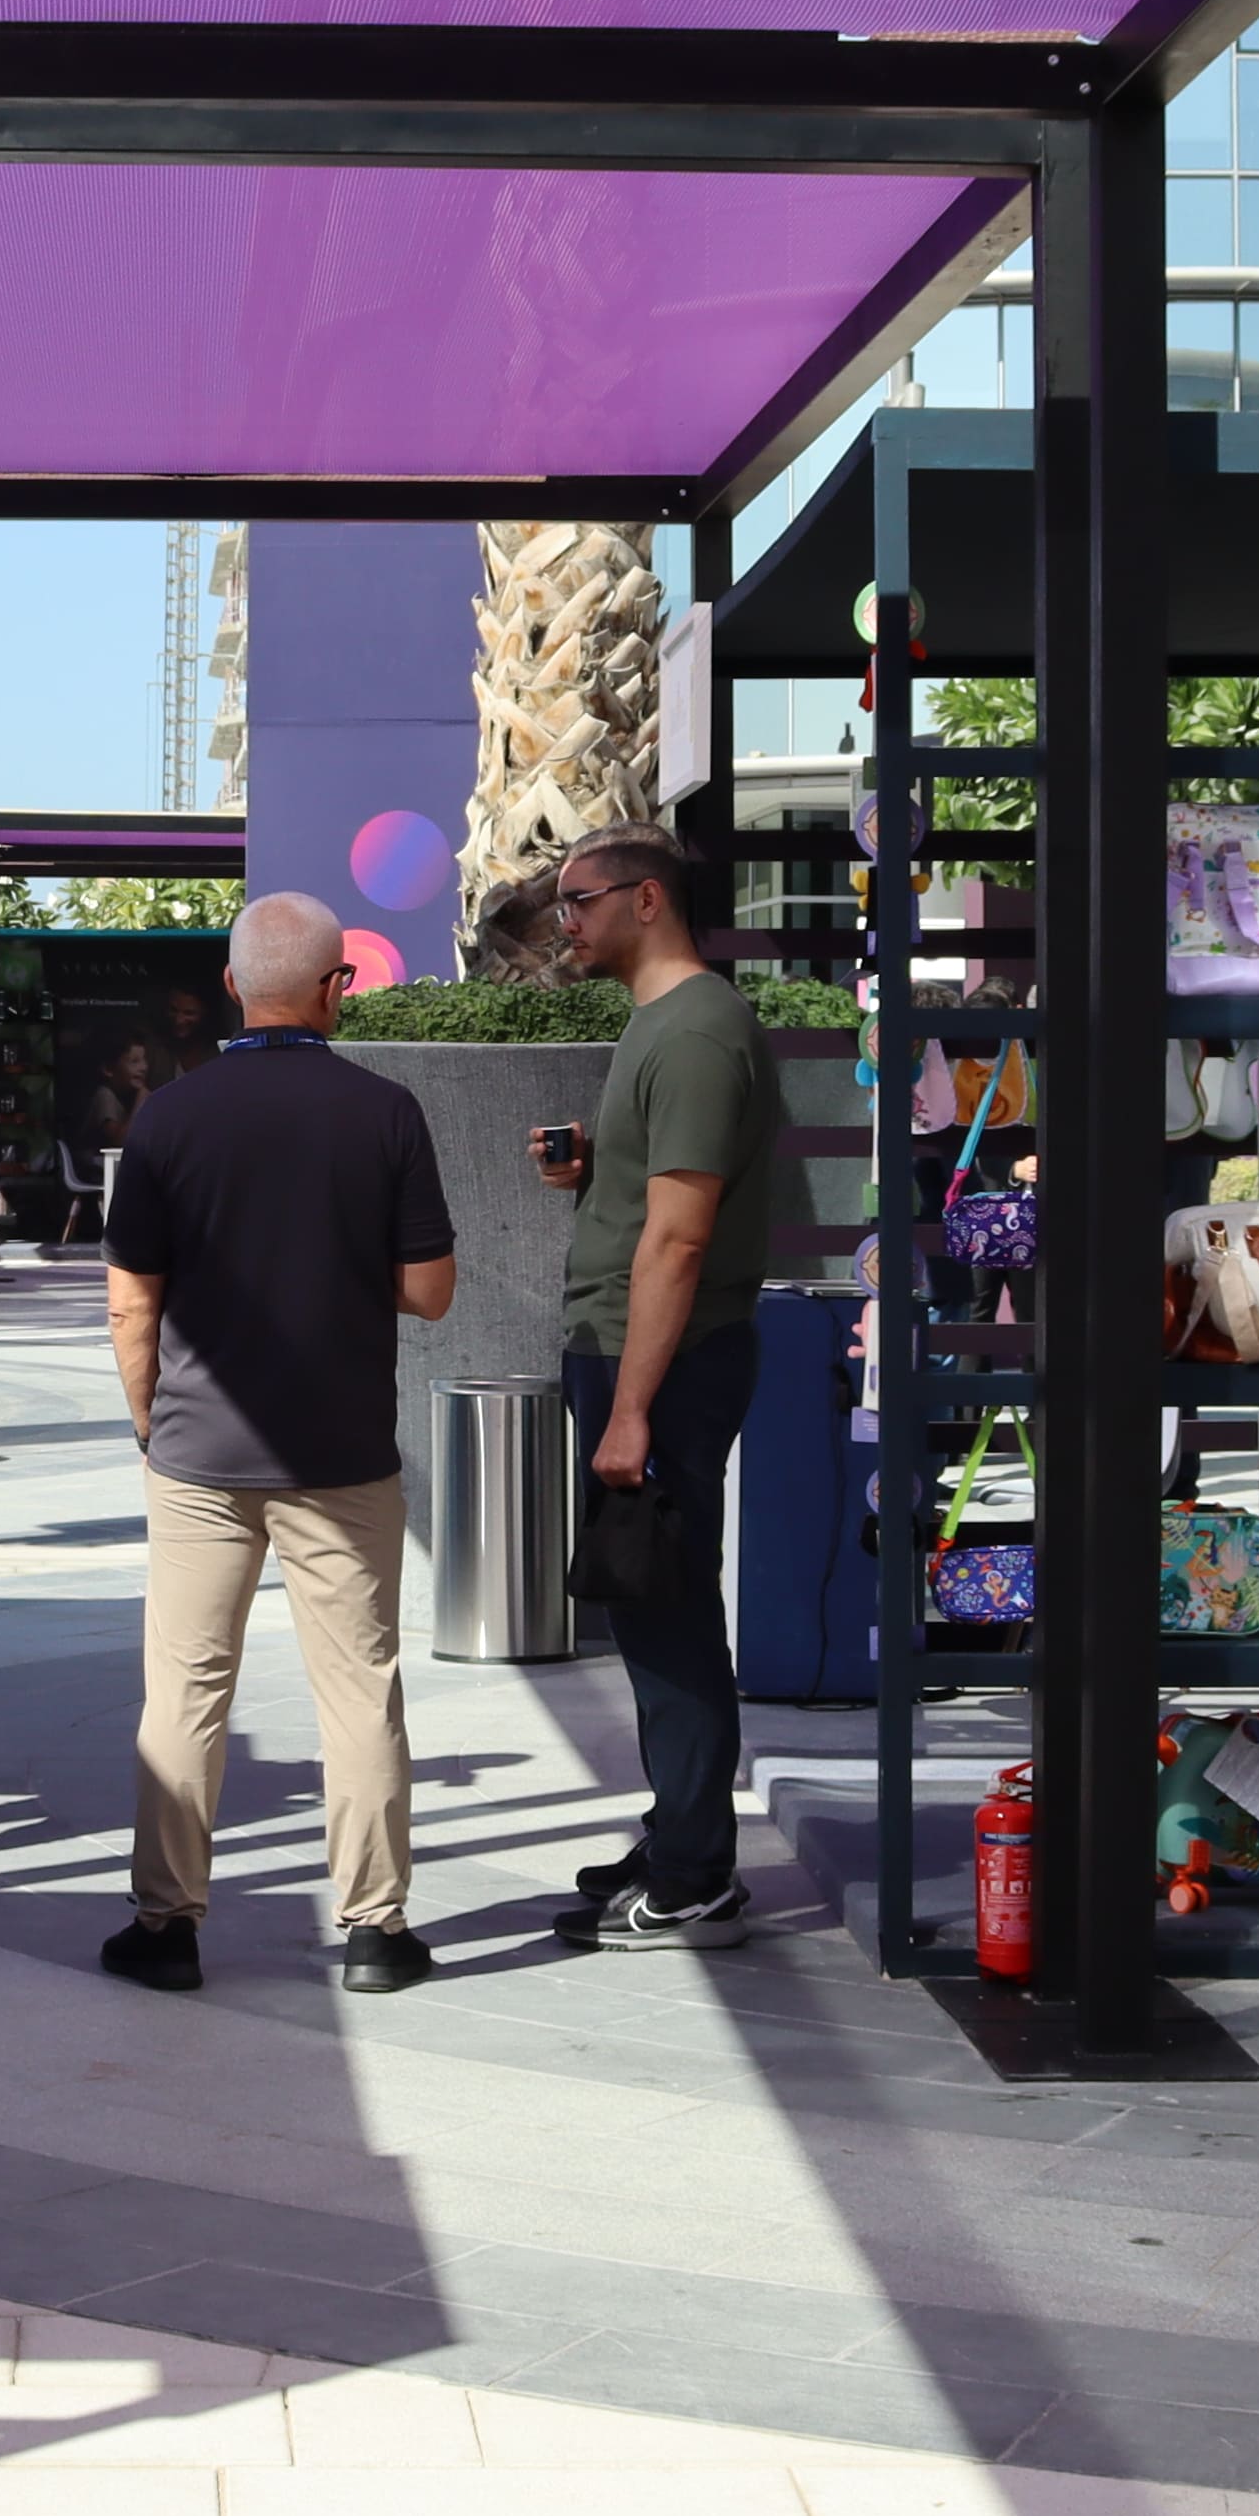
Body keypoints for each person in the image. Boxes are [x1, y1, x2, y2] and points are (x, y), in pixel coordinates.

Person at [97, 892, 457, 1997]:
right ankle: (375, 1930)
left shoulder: (168, 1119)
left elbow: (130, 1301)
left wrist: (152, 1420)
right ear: (337, 986)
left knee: (185, 1689)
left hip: (199, 1453)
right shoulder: (385, 1110)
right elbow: (431, 1291)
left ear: (230, 984)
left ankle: (166, 1926)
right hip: (341, 1453)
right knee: (359, 1689)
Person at [531, 823, 796, 1949]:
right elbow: (670, 1199)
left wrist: (632, 1410)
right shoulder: (666, 1023)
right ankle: (678, 1831)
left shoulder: (693, 1032)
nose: (565, 923)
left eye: (579, 900)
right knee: (650, 1611)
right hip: (640, 1349)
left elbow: (681, 1242)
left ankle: (697, 1879)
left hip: (666, 1361)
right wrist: (599, 1170)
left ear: (647, 900)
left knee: (670, 1612)